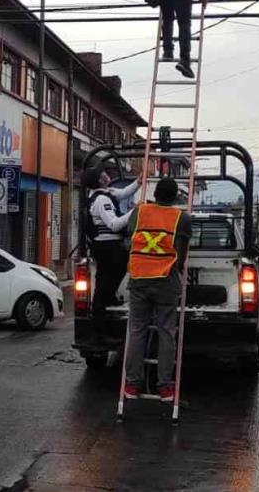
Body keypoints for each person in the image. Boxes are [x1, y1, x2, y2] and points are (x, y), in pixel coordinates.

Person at [123, 177, 192, 402]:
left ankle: (132, 385)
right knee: (166, 333)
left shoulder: (139, 212)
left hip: (139, 278)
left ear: (155, 194)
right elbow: (181, 252)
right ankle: (164, 387)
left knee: (136, 331)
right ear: (175, 198)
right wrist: (178, 270)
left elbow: (131, 239)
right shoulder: (181, 218)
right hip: (165, 280)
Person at [85, 164, 143, 340]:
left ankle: (109, 298)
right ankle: (99, 333)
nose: (106, 175)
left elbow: (124, 192)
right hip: (107, 247)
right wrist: (135, 211)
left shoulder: (106, 193)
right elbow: (114, 224)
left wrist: (139, 181)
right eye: (103, 174)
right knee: (103, 287)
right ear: (100, 180)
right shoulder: (102, 200)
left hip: (110, 247)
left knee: (115, 273)